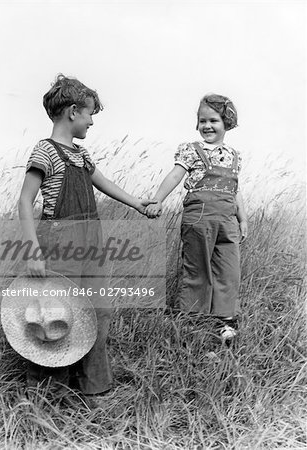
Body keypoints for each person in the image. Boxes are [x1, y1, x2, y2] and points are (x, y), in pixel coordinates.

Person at [18, 74, 156, 404]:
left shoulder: (81, 154)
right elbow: (24, 202)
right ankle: (47, 391)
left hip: (91, 244)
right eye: (90, 114)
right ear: (73, 111)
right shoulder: (46, 151)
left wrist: (138, 203)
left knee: (98, 311)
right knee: (58, 313)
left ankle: (93, 385)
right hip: (58, 243)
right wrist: (33, 251)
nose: (92, 121)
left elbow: (103, 182)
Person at [146, 94, 248, 341]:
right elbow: (174, 176)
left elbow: (235, 190)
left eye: (213, 120)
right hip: (199, 217)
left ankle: (225, 321)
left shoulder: (234, 155)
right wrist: (158, 199)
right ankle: (191, 319)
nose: (207, 126)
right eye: (202, 120)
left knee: (229, 270)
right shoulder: (191, 150)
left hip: (227, 220)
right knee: (197, 268)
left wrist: (242, 219)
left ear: (227, 123)